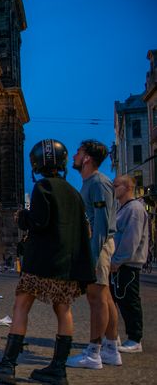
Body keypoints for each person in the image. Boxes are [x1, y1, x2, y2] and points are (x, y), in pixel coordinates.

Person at [0, 139, 94, 385]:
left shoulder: (43, 188)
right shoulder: (73, 193)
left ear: (38, 164)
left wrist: (23, 217)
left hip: (42, 262)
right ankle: (58, 369)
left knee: (21, 306)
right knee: (63, 309)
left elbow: (39, 222)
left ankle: (8, 365)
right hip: (67, 266)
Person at [67, 140, 121, 369]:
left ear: (87, 158)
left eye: (78, 152)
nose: (74, 156)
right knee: (105, 297)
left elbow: (100, 224)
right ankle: (111, 348)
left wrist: (91, 255)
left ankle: (94, 352)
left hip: (97, 246)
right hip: (98, 245)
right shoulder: (91, 182)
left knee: (96, 298)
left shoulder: (98, 183)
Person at [111, 175, 148, 353]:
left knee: (129, 300)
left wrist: (117, 261)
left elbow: (131, 239)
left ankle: (135, 339)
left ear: (127, 187)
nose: (113, 188)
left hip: (128, 264)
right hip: (120, 264)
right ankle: (112, 335)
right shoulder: (123, 208)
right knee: (116, 299)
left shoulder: (134, 209)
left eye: (116, 185)